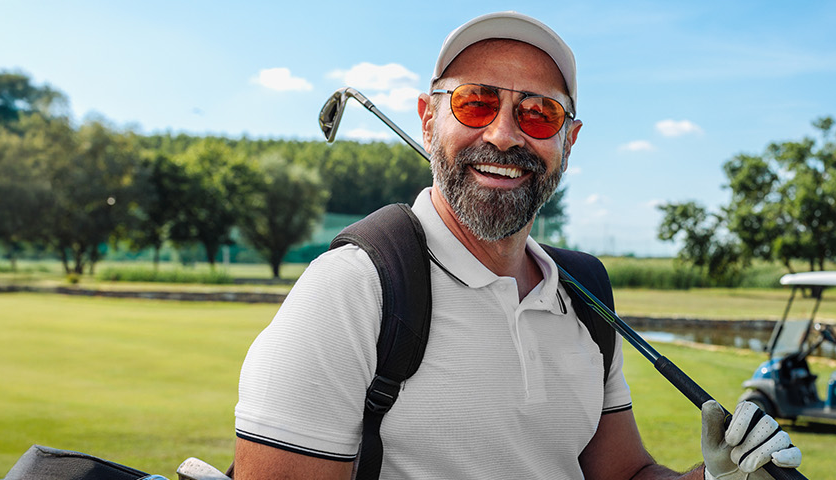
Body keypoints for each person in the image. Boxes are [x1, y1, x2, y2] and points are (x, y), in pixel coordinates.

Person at [233, 11, 800, 480]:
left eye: (538, 112)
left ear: (568, 141)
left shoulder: (585, 295)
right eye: (475, 103)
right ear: (428, 121)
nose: (505, 134)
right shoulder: (354, 287)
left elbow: (622, 475)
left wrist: (718, 478)